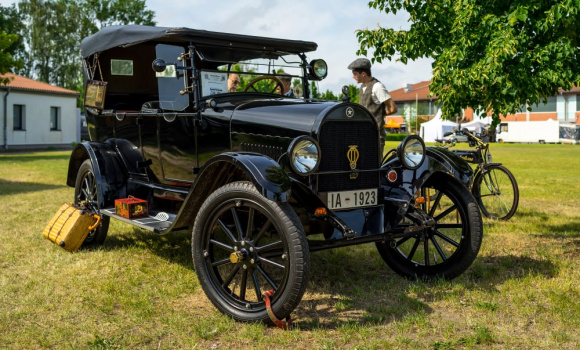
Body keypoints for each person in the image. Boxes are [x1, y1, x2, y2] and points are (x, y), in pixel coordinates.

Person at [348, 58, 398, 154]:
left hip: (375, 135)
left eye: (355, 74)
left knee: (375, 166)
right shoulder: (362, 87)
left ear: (363, 74)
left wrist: (379, 114)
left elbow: (393, 109)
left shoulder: (377, 87)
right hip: (363, 135)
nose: (353, 76)